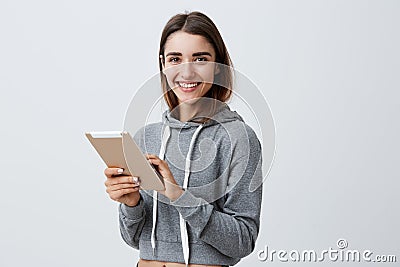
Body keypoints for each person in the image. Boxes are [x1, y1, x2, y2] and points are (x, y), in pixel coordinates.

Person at [104, 11, 263, 267]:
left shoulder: (238, 139)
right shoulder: (146, 137)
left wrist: (178, 195)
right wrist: (131, 204)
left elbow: (243, 241)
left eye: (200, 58)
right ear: (164, 65)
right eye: (175, 59)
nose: (186, 72)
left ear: (218, 66)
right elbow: (135, 239)